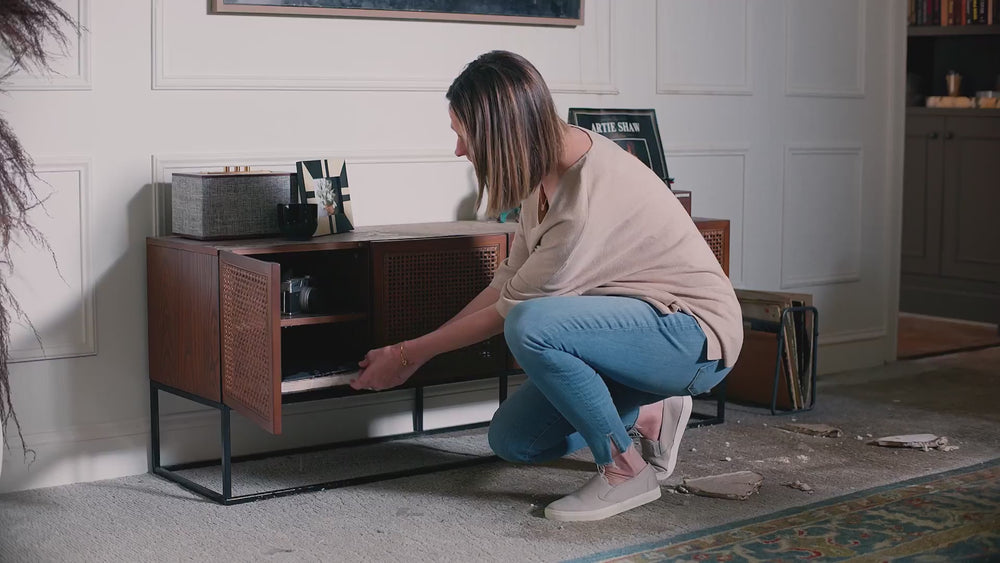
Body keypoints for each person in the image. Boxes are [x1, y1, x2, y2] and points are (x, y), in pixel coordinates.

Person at [350, 50, 743, 522]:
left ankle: (624, 470)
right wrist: (411, 350)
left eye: (462, 135)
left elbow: (509, 313)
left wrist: (410, 355)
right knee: (515, 441)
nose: (458, 150)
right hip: (632, 333)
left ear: (500, 131)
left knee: (530, 324)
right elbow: (506, 283)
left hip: (694, 339)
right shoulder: (541, 180)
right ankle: (654, 413)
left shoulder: (584, 198)